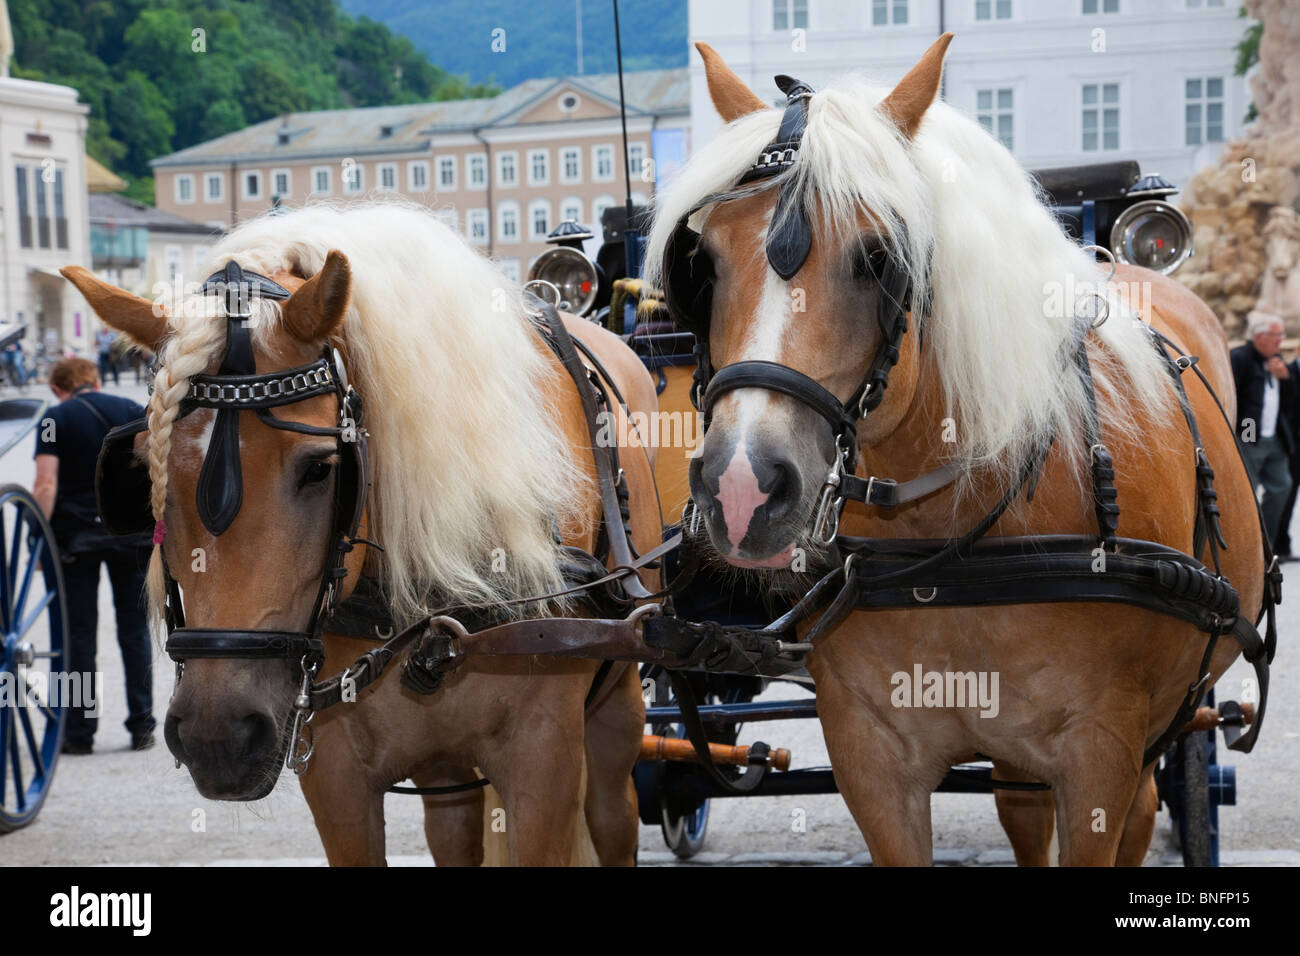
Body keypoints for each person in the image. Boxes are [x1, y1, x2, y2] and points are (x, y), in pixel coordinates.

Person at [32, 358, 154, 754]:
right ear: (96, 380)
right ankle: (142, 726)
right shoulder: (130, 411)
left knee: (79, 637)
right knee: (134, 634)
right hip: (129, 535)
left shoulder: (54, 418)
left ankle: (80, 733)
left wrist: (37, 539)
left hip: (75, 539)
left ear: (57, 388)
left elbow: (46, 484)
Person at [1230, 311, 1294, 548]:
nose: (1280, 340)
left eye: (1281, 335)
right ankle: (1243, 545)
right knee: (1247, 493)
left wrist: (1286, 378)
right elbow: (1231, 396)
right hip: (1249, 433)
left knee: (1283, 486)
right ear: (1259, 336)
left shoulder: (1277, 361)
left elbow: (1290, 402)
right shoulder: (1240, 358)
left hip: (1275, 437)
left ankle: (1264, 542)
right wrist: (1241, 434)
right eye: (1275, 335)